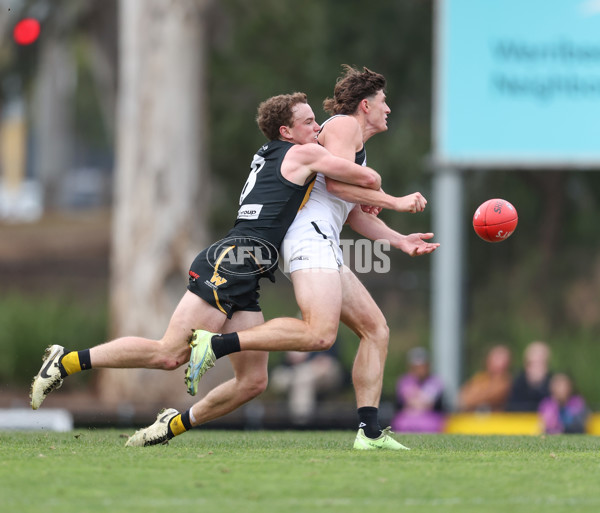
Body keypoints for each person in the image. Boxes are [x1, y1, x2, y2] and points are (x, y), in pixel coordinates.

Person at [29, 92, 386, 437]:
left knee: (253, 382)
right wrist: (389, 196)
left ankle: (172, 425)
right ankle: (66, 362)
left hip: (249, 266)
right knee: (170, 353)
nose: (318, 128)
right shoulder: (300, 153)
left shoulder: (285, 153)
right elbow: (361, 177)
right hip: (234, 259)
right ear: (286, 132)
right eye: (309, 122)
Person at [177, 65, 440, 451]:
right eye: (384, 102)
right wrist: (393, 200)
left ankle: (369, 434)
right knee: (319, 333)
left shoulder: (352, 143)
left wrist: (399, 240)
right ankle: (215, 346)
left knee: (375, 330)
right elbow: (336, 183)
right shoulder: (344, 127)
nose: (388, 109)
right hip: (308, 238)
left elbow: (348, 209)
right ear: (365, 105)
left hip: (323, 240)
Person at [270, 343, 344, 426]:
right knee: (279, 378)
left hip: (322, 370)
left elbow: (327, 360)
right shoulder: (291, 332)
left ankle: (301, 424)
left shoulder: (325, 332)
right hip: (294, 370)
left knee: (302, 378)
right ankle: (299, 421)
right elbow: (284, 363)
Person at [391, 347, 445, 433]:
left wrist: (415, 403)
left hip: (430, 420)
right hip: (405, 421)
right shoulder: (404, 381)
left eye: (423, 366)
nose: (420, 370)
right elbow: (408, 401)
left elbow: (428, 404)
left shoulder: (435, 381)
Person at [458, 344, 512, 412]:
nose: (501, 363)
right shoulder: (480, 379)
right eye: (497, 358)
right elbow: (464, 398)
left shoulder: (507, 382)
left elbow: (496, 393)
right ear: (488, 360)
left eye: (503, 359)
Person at [506, 341, 552, 412]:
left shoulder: (554, 383)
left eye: (540, 363)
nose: (536, 368)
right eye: (532, 363)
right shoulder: (517, 382)